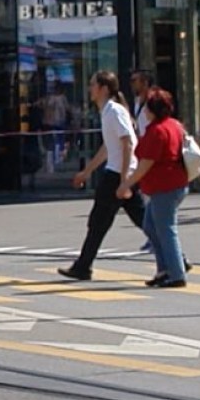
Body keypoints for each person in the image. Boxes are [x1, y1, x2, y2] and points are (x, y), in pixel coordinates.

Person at [56, 70, 144, 281]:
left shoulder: (114, 111)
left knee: (99, 222)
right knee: (140, 220)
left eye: (93, 84)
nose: (90, 89)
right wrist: (87, 171)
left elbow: (127, 143)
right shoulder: (107, 111)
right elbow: (109, 147)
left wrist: (124, 180)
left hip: (118, 175)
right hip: (119, 173)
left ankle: (83, 266)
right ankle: (176, 258)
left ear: (104, 88)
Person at [120, 87, 191, 288]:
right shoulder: (174, 125)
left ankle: (176, 273)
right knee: (151, 226)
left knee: (166, 229)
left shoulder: (157, 131)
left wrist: (126, 184)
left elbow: (145, 163)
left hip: (164, 186)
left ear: (151, 110)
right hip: (175, 183)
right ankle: (164, 270)